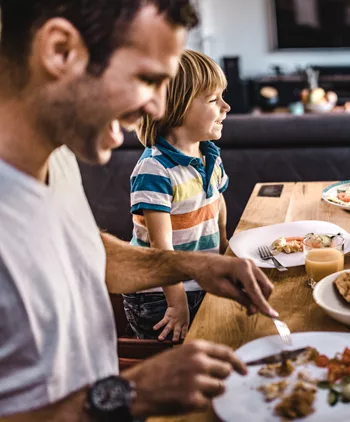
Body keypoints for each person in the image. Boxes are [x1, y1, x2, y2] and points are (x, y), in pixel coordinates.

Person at [0, 1, 278, 420]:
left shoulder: (56, 157)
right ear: (60, 51)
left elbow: (86, 254)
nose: (155, 107)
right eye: (147, 78)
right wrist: (130, 394)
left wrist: (193, 265)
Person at [124, 49, 231, 342]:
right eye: (213, 100)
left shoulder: (209, 154)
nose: (226, 106)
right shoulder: (155, 169)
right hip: (160, 295)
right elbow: (162, 246)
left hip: (199, 280)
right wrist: (176, 302)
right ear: (176, 108)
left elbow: (216, 201)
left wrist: (224, 247)